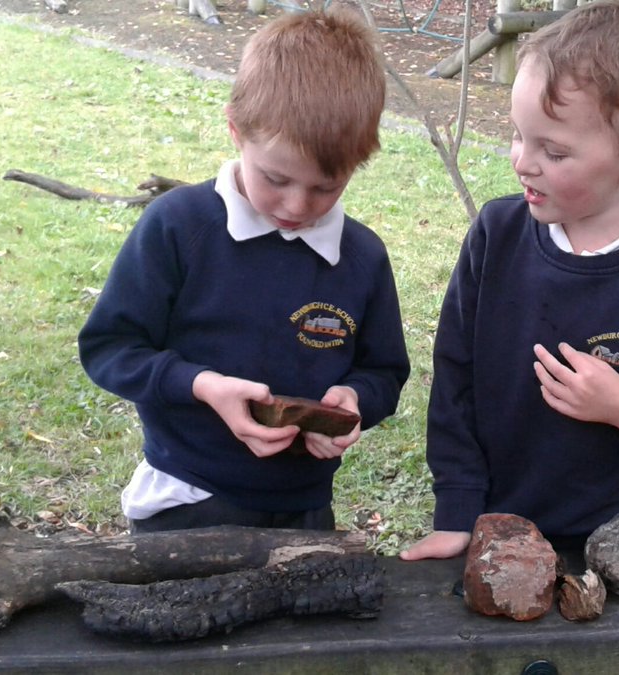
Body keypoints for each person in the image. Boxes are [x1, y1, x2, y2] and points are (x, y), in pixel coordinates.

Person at [401, 0, 619, 559]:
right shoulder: (497, 235)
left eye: (554, 150)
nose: (523, 162)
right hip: (482, 526)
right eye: (519, 135)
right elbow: (454, 380)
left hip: (599, 543)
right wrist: (457, 513)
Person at [78, 8, 410, 534]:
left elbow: (384, 371)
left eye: (326, 187)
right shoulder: (178, 228)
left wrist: (354, 403)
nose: (298, 205)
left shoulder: (362, 257)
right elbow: (109, 349)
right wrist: (203, 385)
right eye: (276, 178)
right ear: (236, 130)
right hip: (187, 497)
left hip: (305, 507)